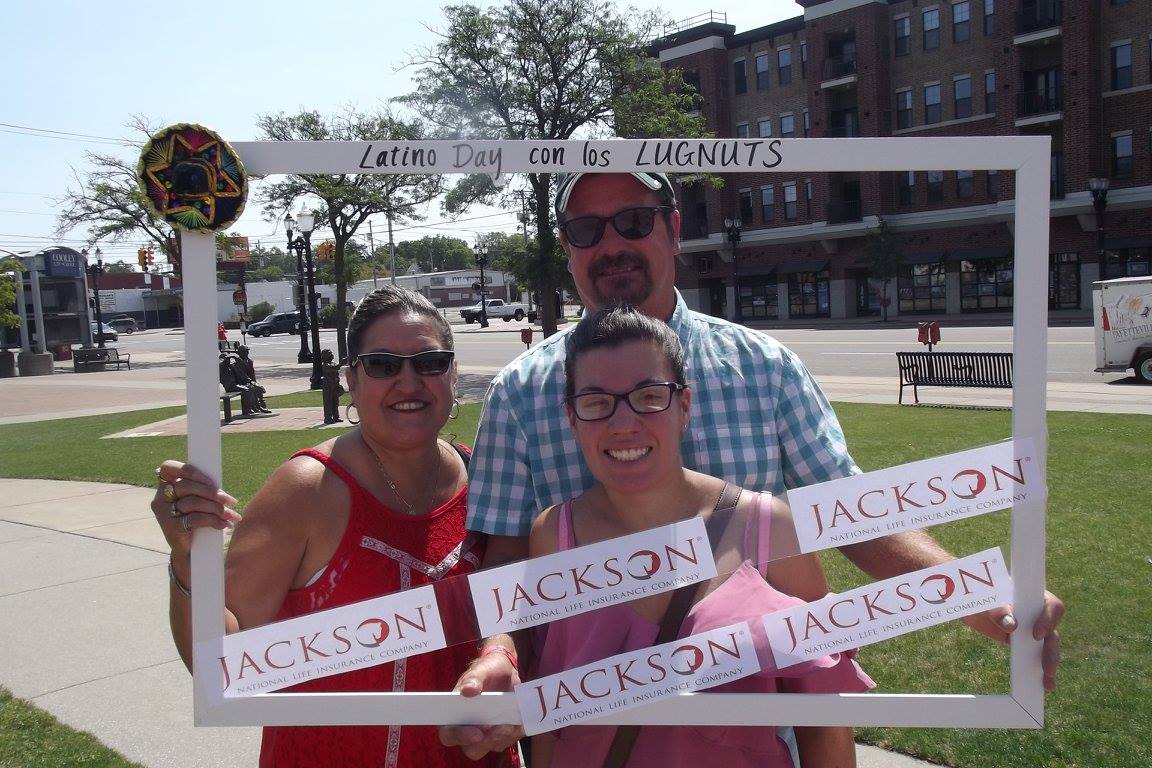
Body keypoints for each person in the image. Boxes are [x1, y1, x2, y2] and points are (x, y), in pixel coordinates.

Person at [443, 172, 1063, 757]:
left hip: (751, 739)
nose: (612, 245)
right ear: (567, 247)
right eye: (587, 229)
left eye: (634, 220)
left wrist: (973, 593)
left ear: (674, 228)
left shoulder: (764, 367)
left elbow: (847, 510)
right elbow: (506, 563)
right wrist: (500, 653)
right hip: (595, 740)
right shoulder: (520, 392)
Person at [152, 285, 516, 768]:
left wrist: (503, 656)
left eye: (429, 362)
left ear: (453, 376)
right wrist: (187, 559)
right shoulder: (307, 489)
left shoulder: (484, 482)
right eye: (383, 364)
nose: (408, 382)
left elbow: (513, 614)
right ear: (351, 380)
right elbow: (219, 668)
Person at [529, 306, 873, 767]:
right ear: (572, 419)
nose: (624, 423)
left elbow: (823, 718)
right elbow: (552, 707)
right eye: (595, 402)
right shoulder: (554, 535)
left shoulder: (769, 528)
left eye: (649, 396)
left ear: (684, 405)